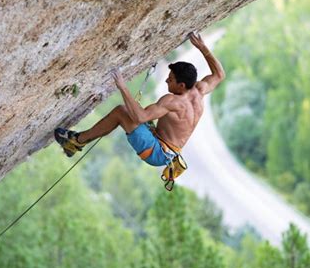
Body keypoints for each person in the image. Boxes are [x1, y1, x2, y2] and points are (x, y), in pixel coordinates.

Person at [54, 32, 225, 171]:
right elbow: (219, 75)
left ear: (181, 85)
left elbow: (140, 118)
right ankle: (77, 141)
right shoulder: (199, 90)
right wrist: (203, 48)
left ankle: (75, 142)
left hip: (157, 152)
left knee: (122, 112)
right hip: (166, 149)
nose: (166, 81)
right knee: (130, 111)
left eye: (170, 79)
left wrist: (123, 87)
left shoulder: (173, 102)